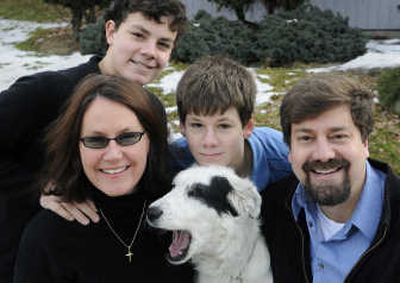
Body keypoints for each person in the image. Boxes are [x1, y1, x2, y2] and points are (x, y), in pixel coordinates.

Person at [0, 1, 187, 281]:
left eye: (163, 43)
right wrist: (38, 188)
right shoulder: (46, 92)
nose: (149, 51)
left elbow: (157, 176)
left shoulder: (152, 109)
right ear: (111, 32)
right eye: (138, 35)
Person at [13, 74, 194, 282]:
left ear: (150, 140)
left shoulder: (190, 209)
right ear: (76, 146)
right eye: (96, 140)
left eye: (128, 137)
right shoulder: (49, 236)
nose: (113, 155)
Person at [261, 74, 400, 282]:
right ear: (290, 150)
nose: (323, 154)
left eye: (338, 136)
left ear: (365, 143)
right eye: (306, 138)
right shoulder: (271, 210)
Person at [170, 55, 291, 190]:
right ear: (182, 127)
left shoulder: (285, 157)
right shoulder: (172, 162)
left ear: (247, 127)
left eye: (223, 126)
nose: (209, 142)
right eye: (197, 125)